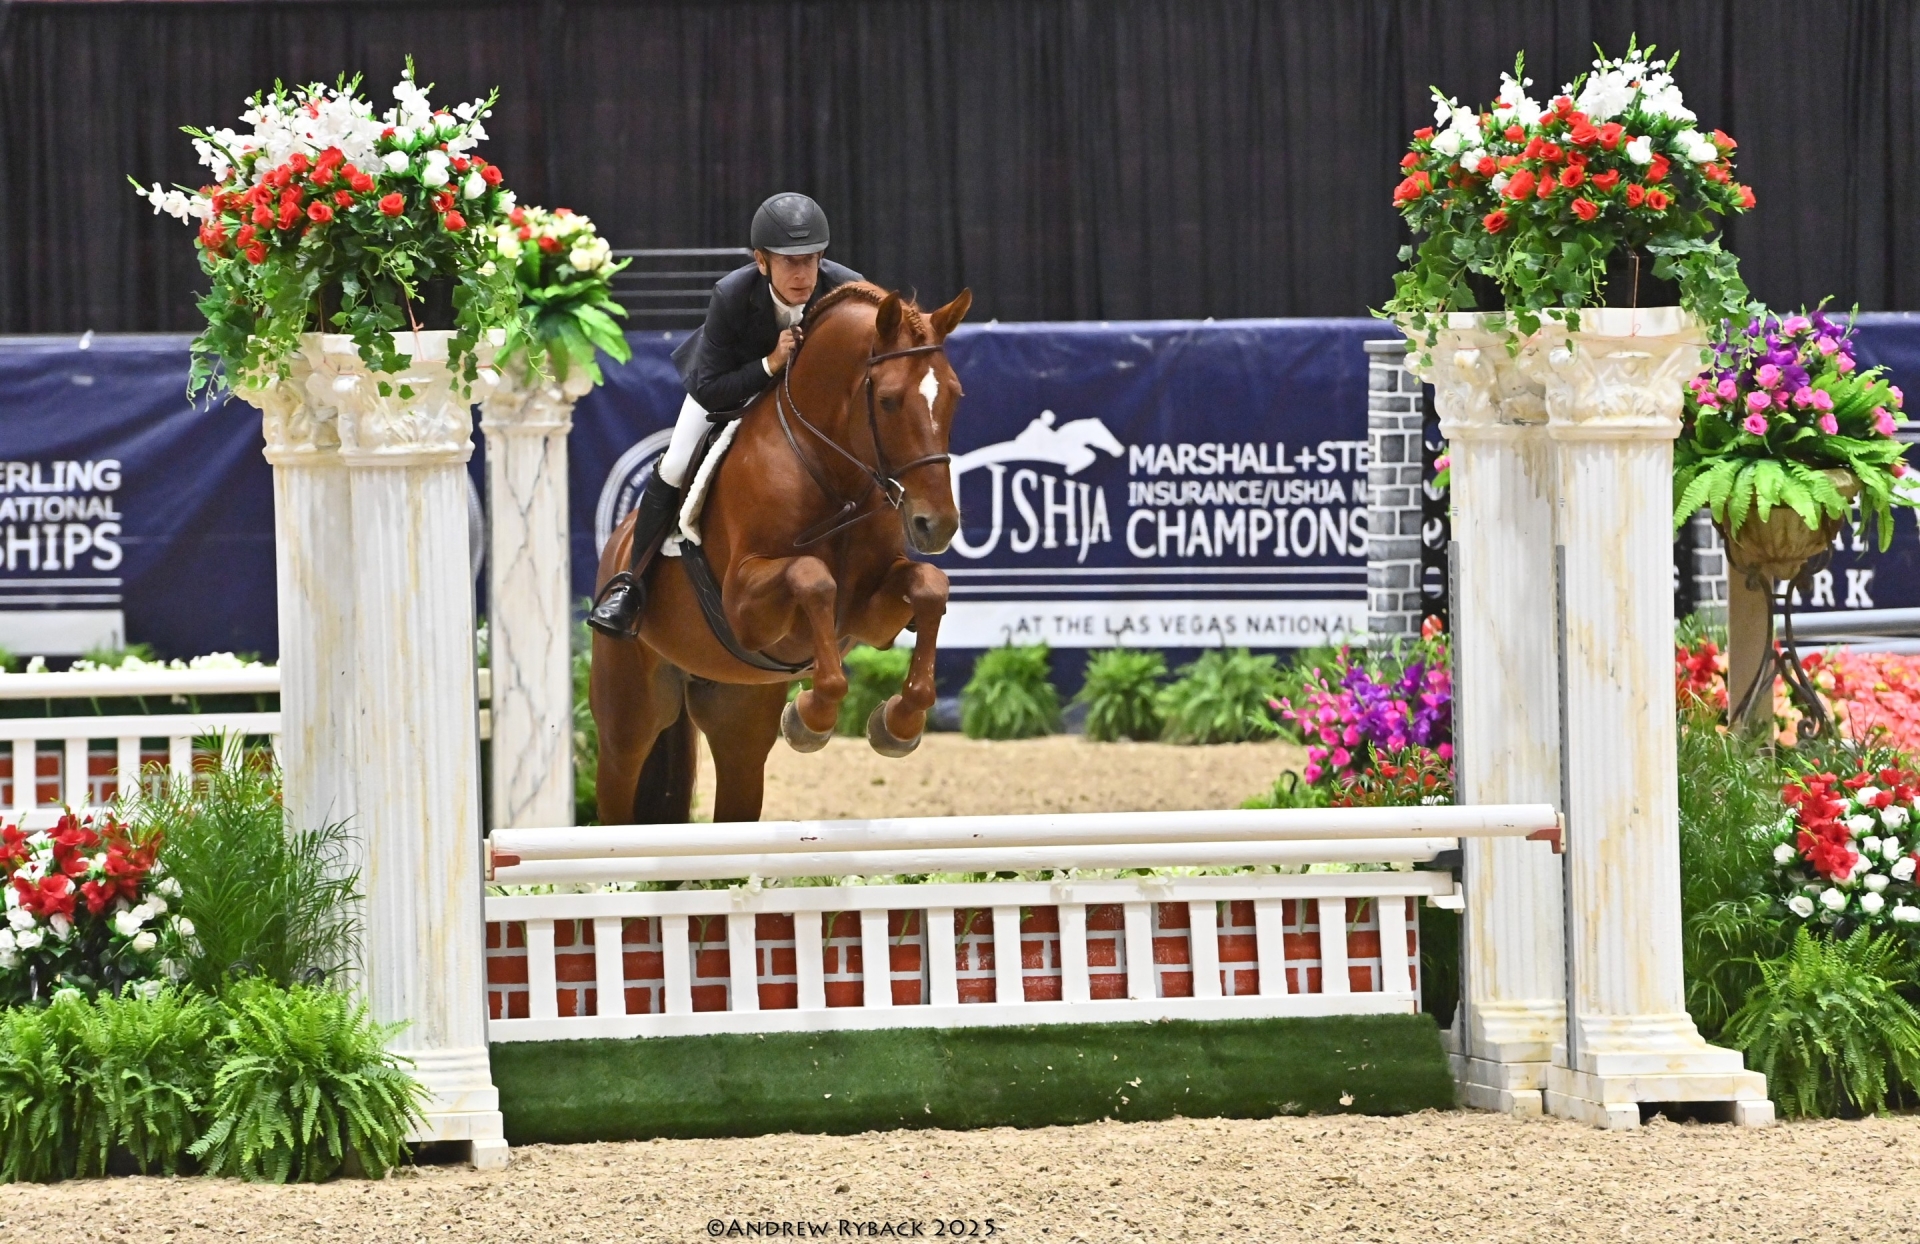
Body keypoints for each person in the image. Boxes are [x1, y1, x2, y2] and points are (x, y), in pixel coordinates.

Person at [587, 192, 864, 639]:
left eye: (811, 260)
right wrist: (770, 364)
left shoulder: (846, 291)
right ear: (761, 261)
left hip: (809, 407)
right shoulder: (732, 294)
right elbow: (710, 388)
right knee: (676, 463)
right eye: (789, 262)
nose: (802, 274)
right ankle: (630, 587)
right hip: (731, 391)